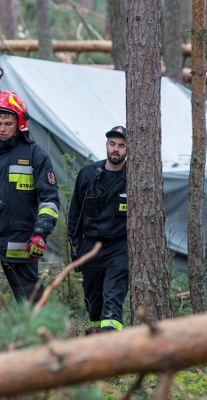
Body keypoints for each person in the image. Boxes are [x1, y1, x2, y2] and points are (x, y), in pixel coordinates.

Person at [0, 90, 60, 302]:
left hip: (20, 244)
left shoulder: (36, 155)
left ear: (19, 122)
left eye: (8, 123)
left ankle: (41, 336)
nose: (2, 129)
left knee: (32, 308)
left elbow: (50, 200)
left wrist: (41, 233)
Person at [67, 125, 129, 333]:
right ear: (106, 145)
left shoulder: (133, 179)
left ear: (128, 150)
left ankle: (112, 343)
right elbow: (74, 212)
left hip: (119, 247)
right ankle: (95, 339)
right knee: (92, 299)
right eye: (112, 144)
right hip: (90, 245)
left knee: (113, 296)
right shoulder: (88, 174)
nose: (116, 149)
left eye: (121, 145)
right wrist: (75, 245)